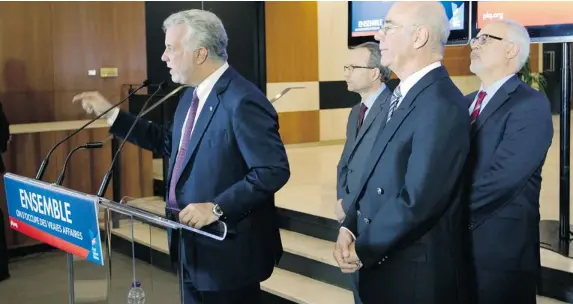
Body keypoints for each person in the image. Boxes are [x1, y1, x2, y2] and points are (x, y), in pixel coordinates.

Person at [72, 9, 290, 304]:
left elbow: (272, 169)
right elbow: (169, 142)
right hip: (188, 243)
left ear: (200, 53)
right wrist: (113, 115)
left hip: (228, 251)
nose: (164, 56)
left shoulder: (244, 100)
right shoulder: (190, 95)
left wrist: (216, 208)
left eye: (170, 48)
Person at [332, 2, 471, 303]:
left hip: (411, 275)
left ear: (419, 36)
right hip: (384, 258)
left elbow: (417, 201)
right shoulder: (403, 96)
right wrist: (350, 225)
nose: (379, 35)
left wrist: (363, 247)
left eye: (389, 27)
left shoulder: (440, 104)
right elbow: (374, 172)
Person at [465, 19, 553, 304]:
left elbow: (503, 178)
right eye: (475, 39)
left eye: (485, 39)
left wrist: (444, 209)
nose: (473, 45)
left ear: (511, 50)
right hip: (456, 246)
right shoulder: (461, 103)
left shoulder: (530, 104)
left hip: (501, 251)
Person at [334, 41, 392, 304]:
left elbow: (377, 168)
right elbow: (346, 163)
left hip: (374, 216)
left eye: (352, 67)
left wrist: (351, 205)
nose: (346, 72)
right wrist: (341, 199)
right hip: (351, 213)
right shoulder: (357, 110)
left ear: (375, 72)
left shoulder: (393, 109)